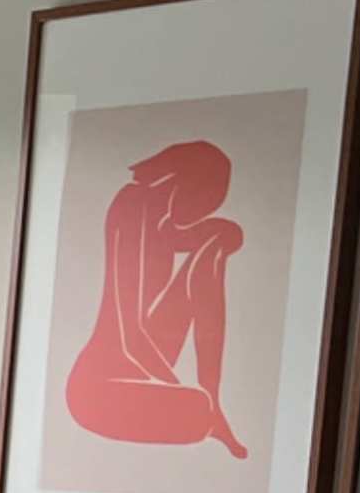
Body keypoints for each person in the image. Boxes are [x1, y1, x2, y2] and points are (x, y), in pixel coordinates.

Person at [63, 138, 249, 455]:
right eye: (202, 203)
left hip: (142, 369)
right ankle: (208, 407)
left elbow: (202, 270)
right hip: (97, 388)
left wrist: (226, 235)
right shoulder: (132, 206)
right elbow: (129, 336)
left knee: (220, 239)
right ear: (185, 185)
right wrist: (175, 385)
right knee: (195, 410)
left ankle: (212, 399)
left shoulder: (162, 223)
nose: (197, 215)